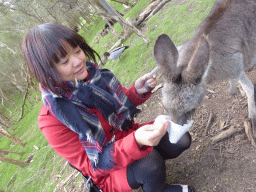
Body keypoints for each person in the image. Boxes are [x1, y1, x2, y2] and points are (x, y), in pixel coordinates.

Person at [22, 23, 193, 192]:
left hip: (126, 138)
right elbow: (93, 165)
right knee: (151, 164)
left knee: (180, 139)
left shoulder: (92, 78)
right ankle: (155, 184)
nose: (78, 61)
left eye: (78, 51)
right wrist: (135, 142)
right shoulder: (52, 119)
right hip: (106, 170)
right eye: (65, 61)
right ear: (46, 71)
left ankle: (149, 172)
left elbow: (117, 106)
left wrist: (137, 92)